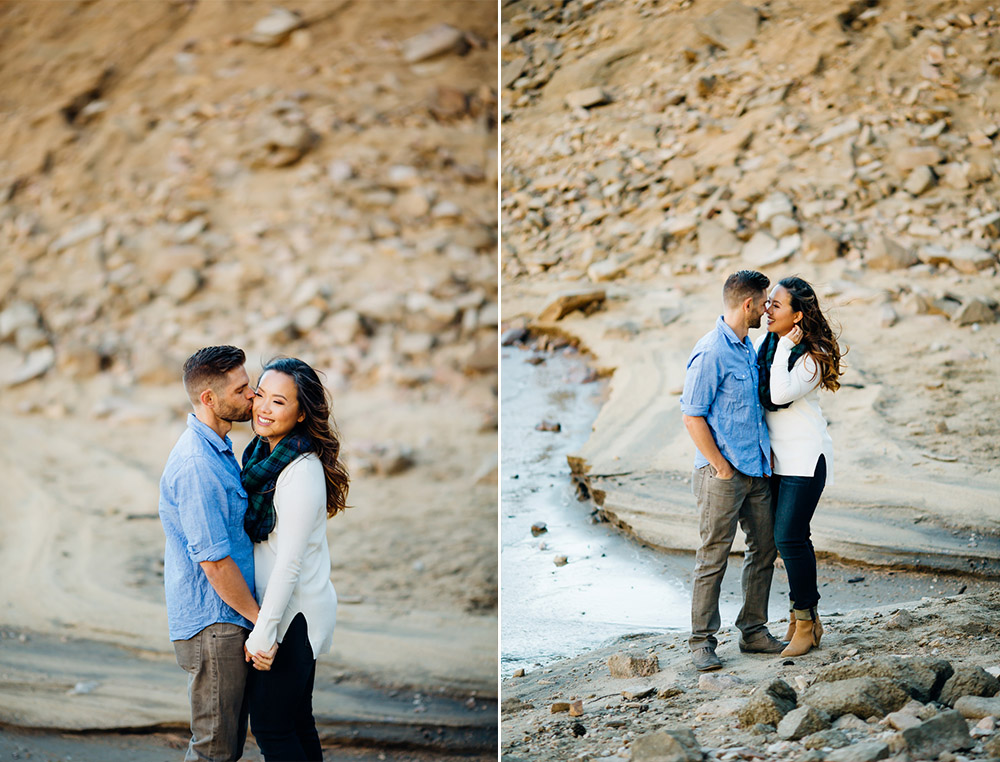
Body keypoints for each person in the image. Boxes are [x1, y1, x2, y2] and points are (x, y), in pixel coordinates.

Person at [241, 357, 350, 761]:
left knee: (271, 726)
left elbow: (289, 562)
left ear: (302, 413)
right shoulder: (260, 456)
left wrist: (264, 633)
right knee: (296, 722)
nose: (263, 408)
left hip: (294, 615)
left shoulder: (300, 470)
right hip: (286, 610)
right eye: (260, 396)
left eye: (279, 402)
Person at [158, 345, 262, 762]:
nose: (252, 396)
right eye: (241, 390)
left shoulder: (218, 449)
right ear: (209, 399)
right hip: (215, 624)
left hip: (223, 619)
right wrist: (262, 621)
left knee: (226, 747)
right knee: (214, 750)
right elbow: (215, 564)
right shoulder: (198, 463)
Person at [680, 270, 785, 672]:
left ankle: (753, 631)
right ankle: (701, 642)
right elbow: (692, 416)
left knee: (764, 549)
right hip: (721, 475)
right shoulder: (710, 352)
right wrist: (721, 466)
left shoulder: (748, 346)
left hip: (756, 470)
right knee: (713, 557)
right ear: (747, 304)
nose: (765, 309)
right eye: (763, 303)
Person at [755, 276, 843, 657]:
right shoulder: (769, 343)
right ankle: (800, 618)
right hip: (778, 459)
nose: (767, 309)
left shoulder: (811, 353)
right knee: (787, 539)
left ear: (798, 315)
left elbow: (779, 394)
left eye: (776, 304)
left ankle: (805, 623)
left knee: (790, 538)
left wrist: (785, 346)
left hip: (806, 459)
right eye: (767, 302)